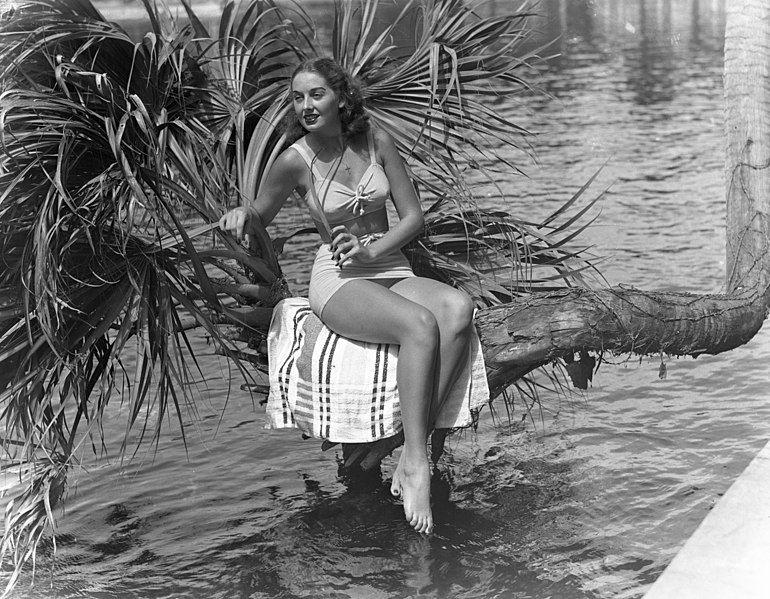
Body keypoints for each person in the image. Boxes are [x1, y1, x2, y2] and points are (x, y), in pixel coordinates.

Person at [219, 57, 474, 534]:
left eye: (315, 94)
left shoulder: (374, 138)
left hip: (389, 265)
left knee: (458, 309)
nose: (306, 105)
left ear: (340, 96)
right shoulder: (295, 160)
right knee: (420, 325)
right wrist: (241, 214)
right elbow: (259, 213)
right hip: (338, 278)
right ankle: (417, 461)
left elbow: (412, 217)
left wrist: (371, 248)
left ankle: (397, 445)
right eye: (297, 98)